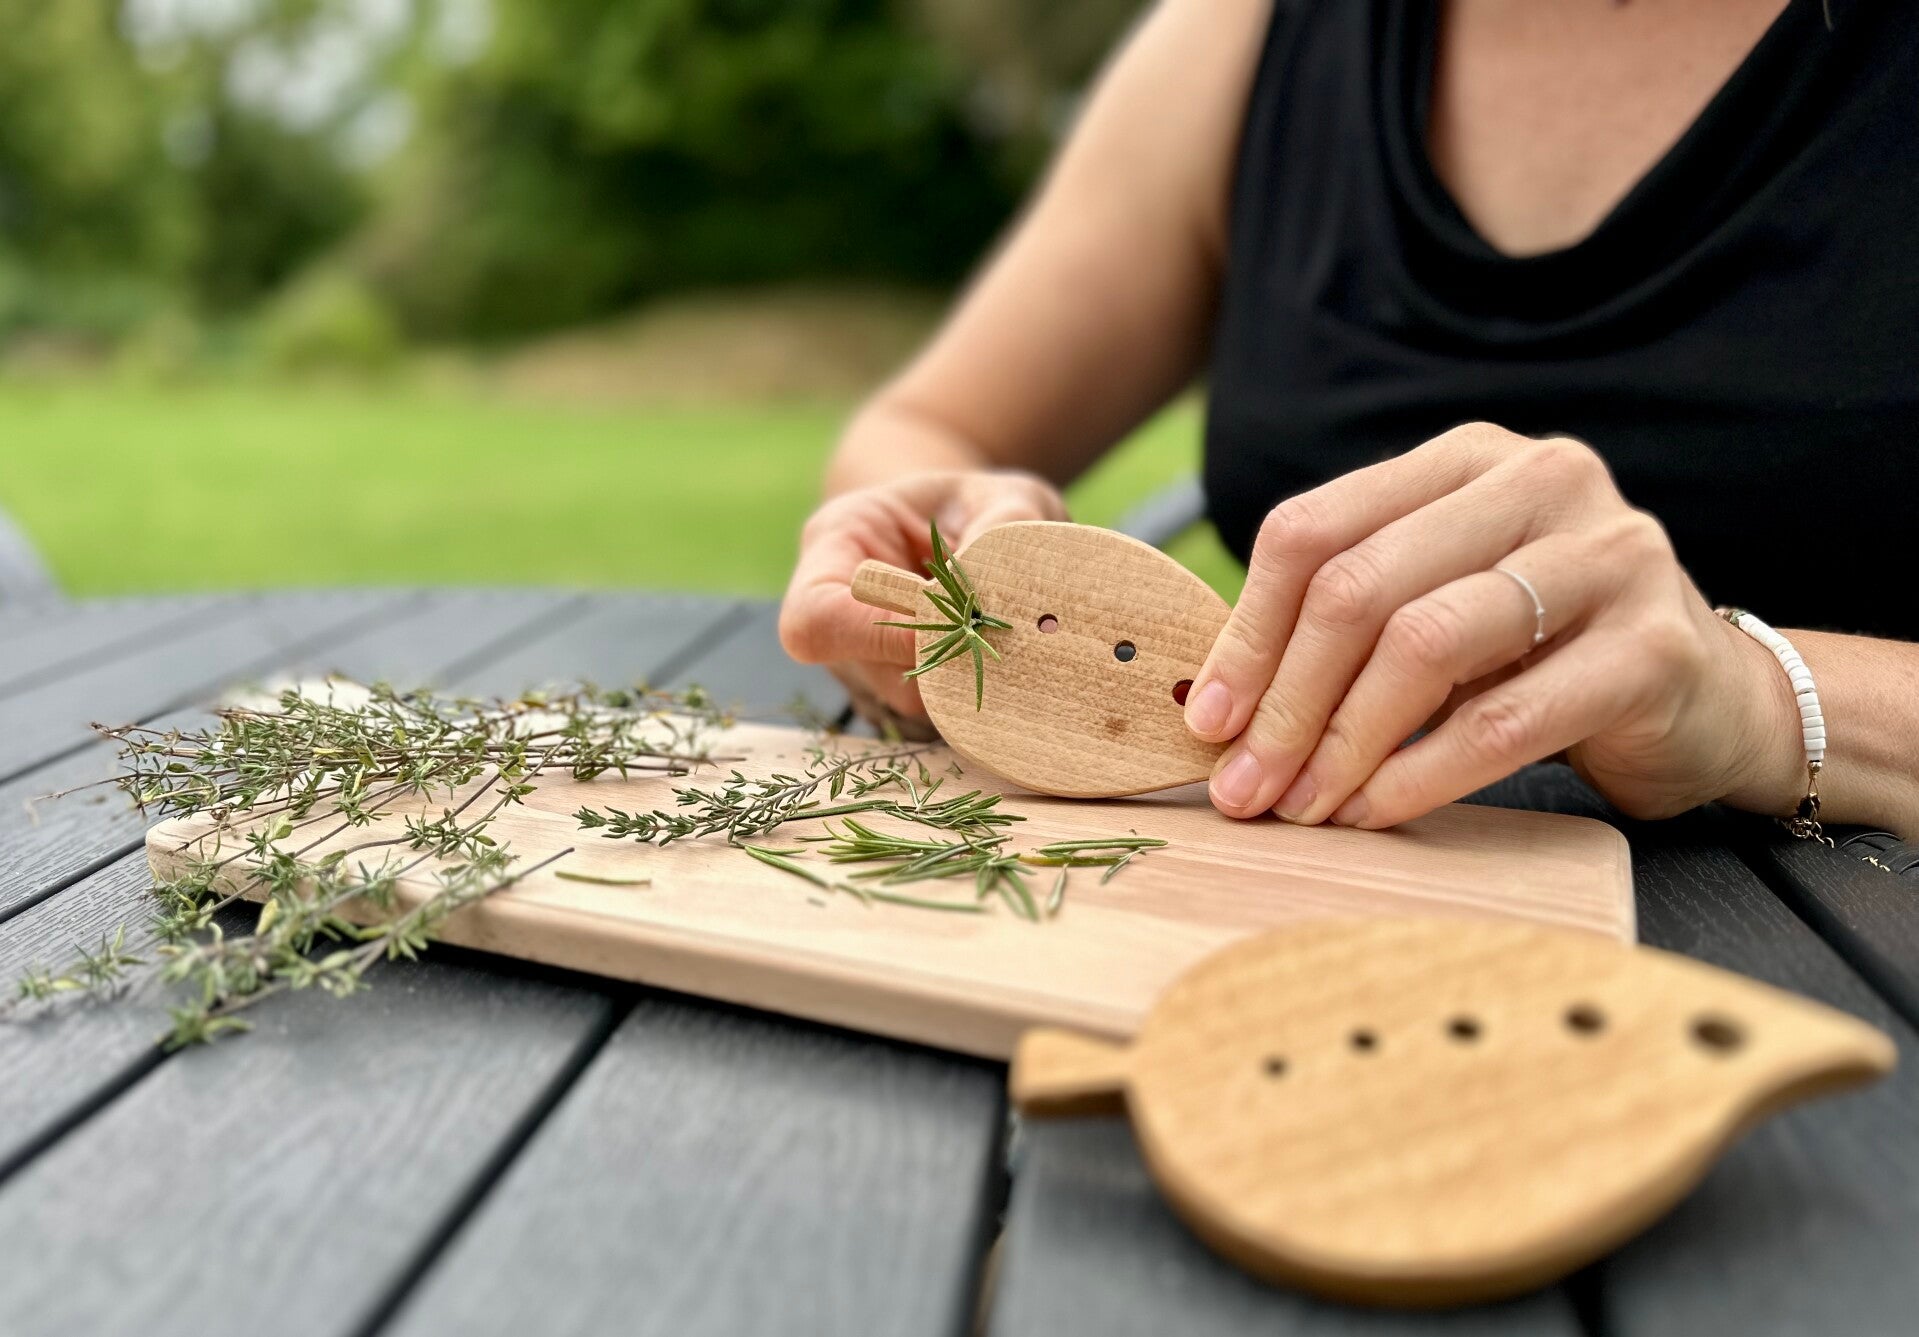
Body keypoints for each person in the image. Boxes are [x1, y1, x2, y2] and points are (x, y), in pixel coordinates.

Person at [778, 0, 1919, 840]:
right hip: (1291, 900)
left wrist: (1759, 698)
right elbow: (928, 427)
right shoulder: (1254, 32)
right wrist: (938, 550)